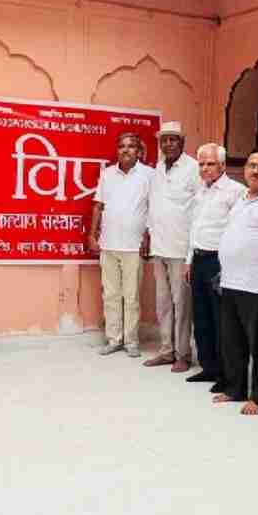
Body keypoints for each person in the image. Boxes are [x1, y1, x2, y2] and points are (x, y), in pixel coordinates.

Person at [213, 150, 258, 415]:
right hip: (231, 281)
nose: (255, 171)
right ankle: (235, 388)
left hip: (257, 284)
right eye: (251, 165)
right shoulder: (241, 198)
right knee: (233, 340)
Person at [184, 143, 245, 390]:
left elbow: (236, 232)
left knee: (222, 321)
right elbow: (194, 227)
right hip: (198, 259)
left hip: (219, 262)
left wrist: (228, 266)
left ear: (222, 165)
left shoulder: (235, 191)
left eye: (210, 163)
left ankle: (225, 373)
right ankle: (208, 367)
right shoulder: (200, 190)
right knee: (201, 318)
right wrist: (189, 260)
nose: (205, 168)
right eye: (201, 164)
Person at [91, 132, 153, 357]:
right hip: (108, 243)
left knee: (132, 296)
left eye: (131, 146)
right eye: (122, 146)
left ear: (139, 151)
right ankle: (113, 339)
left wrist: (149, 236)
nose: (126, 150)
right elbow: (98, 205)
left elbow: (154, 208)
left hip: (133, 246)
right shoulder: (107, 174)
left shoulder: (149, 175)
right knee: (111, 294)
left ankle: (131, 341)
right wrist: (92, 235)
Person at [144, 121, 200, 372]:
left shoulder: (193, 168)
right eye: (164, 140)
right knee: (163, 302)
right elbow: (153, 205)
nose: (168, 144)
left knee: (182, 304)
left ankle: (183, 354)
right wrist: (147, 235)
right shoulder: (157, 169)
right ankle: (166, 350)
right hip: (159, 246)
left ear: (182, 142)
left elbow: (200, 209)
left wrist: (193, 248)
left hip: (181, 247)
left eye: (173, 139)